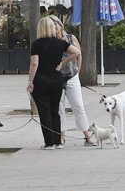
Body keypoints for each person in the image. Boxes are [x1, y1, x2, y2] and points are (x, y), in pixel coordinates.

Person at [27, 16, 80, 149]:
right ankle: (58, 141)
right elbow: (77, 52)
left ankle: (49, 143)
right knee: (55, 111)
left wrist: (30, 81)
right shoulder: (60, 43)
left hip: (41, 80)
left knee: (44, 111)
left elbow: (34, 63)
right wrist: (63, 63)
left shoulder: (36, 44)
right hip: (57, 79)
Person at [52, 17, 96, 146]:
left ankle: (87, 135)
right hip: (57, 77)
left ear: (61, 25)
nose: (55, 28)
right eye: (52, 26)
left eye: (56, 25)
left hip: (71, 76)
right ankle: (61, 136)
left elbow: (79, 54)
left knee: (78, 106)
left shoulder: (71, 38)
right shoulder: (51, 41)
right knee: (59, 108)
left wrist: (78, 72)